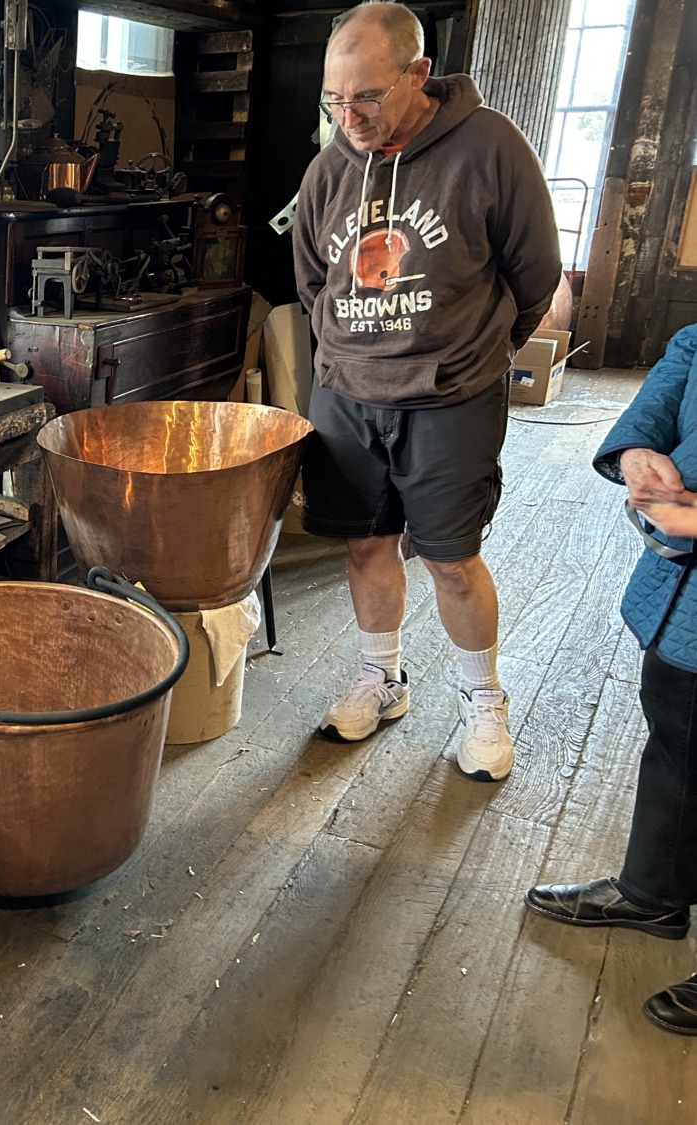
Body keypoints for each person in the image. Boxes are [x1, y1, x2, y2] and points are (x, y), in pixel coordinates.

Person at [292, 1, 562, 780]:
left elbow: (535, 274)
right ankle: (383, 678)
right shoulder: (328, 168)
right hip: (347, 396)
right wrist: (349, 357)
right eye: (335, 100)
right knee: (365, 544)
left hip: (452, 396)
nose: (350, 117)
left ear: (417, 74)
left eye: (368, 97)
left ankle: (484, 701)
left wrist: (476, 355)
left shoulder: (489, 147)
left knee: (451, 559)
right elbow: (313, 281)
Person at [524, 324, 697, 1035]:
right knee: (677, 730)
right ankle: (652, 889)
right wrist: (635, 451)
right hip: (682, 587)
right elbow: (681, 358)